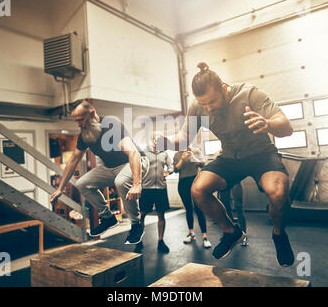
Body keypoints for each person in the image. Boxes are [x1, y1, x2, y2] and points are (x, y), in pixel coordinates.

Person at [153, 62, 295, 267]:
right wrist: (165, 140)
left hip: (261, 155)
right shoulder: (197, 107)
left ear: (224, 88)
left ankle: (279, 234)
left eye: (212, 101)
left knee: (278, 193)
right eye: (204, 104)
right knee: (198, 189)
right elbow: (184, 139)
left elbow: (287, 127)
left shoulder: (249, 94)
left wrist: (269, 124)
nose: (208, 108)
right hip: (230, 157)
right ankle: (231, 232)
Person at [51, 99, 149, 245]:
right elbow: (73, 160)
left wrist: (136, 184)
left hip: (135, 162)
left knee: (121, 181)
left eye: (80, 120)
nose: (78, 124)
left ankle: (136, 224)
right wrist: (60, 188)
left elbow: (133, 153)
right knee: (82, 183)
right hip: (111, 167)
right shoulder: (84, 135)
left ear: (92, 113)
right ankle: (107, 218)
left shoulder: (112, 125)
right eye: (75, 121)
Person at [173, 148, 212, 249]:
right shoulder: (177, 154)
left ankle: (205, 237)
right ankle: (191, 233)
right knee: (188, 209)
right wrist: (182, 159)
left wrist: (193, 157)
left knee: (199, 208)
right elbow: (176, 169)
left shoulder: (196, 151)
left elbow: (203, 164)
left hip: (195, 181)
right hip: (183, 183)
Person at [139, 145, 174, 253]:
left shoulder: (164, 153)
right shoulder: (144, 152)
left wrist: (169, 171)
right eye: (154, 139)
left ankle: (161, 241)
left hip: (161, 188)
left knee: (161, 214)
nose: (156, 142)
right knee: (142, 215)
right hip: (146, 188)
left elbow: (171, 166)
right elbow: (137, 165)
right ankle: (138, 240)